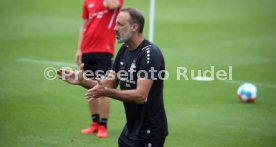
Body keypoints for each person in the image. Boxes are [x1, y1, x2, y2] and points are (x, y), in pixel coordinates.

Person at [58, 8, 168, 146]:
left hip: (149, 133)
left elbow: (141, 96)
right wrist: (81, 80)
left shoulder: (150, 54)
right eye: (115, 24)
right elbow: (108, 85)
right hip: (131, 129)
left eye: (120, 24)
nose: (115, 28)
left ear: (134, 27)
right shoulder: (124, 50)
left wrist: (106, 92)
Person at [75, 0, 124, 138]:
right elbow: (84, 25)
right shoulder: (88, 2)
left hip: (104, 52)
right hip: (87, 50)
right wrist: (79, 49)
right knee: (89, 87)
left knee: (103, 88)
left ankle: (103, 125)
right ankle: (95, 122)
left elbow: (112, 5)